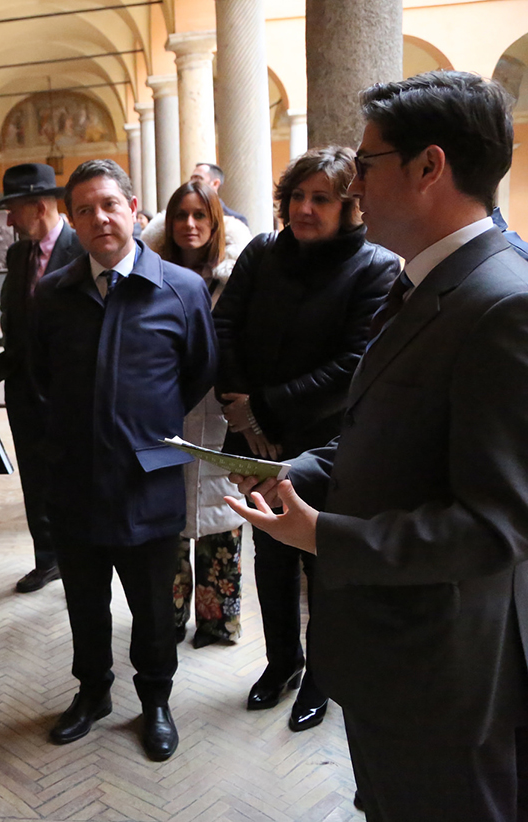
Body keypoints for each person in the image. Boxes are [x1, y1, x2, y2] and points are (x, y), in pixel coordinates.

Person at [226, 71, 528, 821]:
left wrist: (321, 534)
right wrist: (294, 470)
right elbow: (382, 428)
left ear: (427, 167)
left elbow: (495, 527)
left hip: (443, 670)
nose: (352, 185)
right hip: (391, 657)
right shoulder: (425, 282)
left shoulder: (502, 304)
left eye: (364, 164)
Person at [30, 159, 216, 760]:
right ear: (72, 221)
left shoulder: (181, 289)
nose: (98, 218)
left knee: (153, 609)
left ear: (134, 210)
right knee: (85, 600)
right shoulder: (54, 295)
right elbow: (40, 378)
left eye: (109, 204)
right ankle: (93, 691)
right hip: (77, 479)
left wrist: (146, 428)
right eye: (83, 209)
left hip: (149, 481)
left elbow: (198, 372)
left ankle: (156, 700)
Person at [212, 146, 399, 733]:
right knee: (268, 555)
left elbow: (352, 365)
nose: (305, 208)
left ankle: (320, 677)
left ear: (350, 208)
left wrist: (264, 407)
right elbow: (224, 327)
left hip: (327, 447)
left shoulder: (375, 267)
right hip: (253, 436)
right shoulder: (264, 252)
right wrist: (246, 416)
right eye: (297, 196)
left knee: (324, 567)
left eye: (321, 199)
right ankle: (281, 663)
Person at [142, 180, 252, 647]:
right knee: (166, 518)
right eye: (181, 215)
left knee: (223, 516)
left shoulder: (236, 278)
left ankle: (217, 621)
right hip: (163, 411)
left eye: (200, 216)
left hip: (221, 412)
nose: (190, 225)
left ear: (215, 223)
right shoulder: (148, 277)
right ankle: (168, 617)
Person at [0, 163, 84, 594]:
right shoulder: (16, 254)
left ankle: (80, 560)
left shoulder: (82, 249)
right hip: (24, 388)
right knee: (34, 478)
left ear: (38, 206)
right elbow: (12, 312)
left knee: (75, 477)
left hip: (70, 392)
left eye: (13, 210)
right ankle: (47, 559)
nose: (7, 220)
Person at [191, 162, 248, 227]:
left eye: (198, 178)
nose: (191, 183)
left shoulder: (237, 220)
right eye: (191, 178)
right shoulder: (184, 214)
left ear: (215, 184)